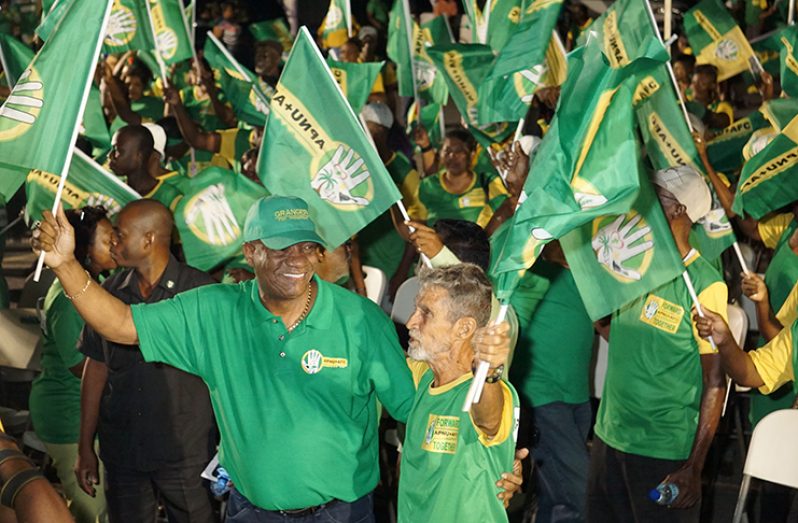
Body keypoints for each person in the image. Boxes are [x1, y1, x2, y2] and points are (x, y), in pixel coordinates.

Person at [33, 195, 522, 522]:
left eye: (305, 248)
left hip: (343, 513)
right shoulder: (214, 311)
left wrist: (491, 465)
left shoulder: (360, 321)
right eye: (278, 249)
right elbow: (120, 324)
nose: (295, 260)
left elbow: (419, 410)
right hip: (252, 511)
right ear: (251, 252)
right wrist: (66, 265)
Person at [587, 166, 728, 522]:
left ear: (680, 209)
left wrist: (694, 466)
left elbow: (715, 382)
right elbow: (625, 337)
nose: (642, 204)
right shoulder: (632, 265)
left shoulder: (704, 284)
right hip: (609, 437)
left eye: (656, 197)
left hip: (662, 451)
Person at [74, 200, 217, 523]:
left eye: (120, 235)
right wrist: (85, 446)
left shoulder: (201, 293)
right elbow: (95, 370)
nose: (113, 242)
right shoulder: (108, 294)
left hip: (186, 455)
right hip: (123, 452)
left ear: (149, 240)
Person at [398, 264, 518, 522]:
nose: (410, 322)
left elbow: (488, 418)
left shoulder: (488, 389)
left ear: (463, 329)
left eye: (426, 313)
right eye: (415, 310)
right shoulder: (422, 375)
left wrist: (490, 370)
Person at [29, 207, 115, 523]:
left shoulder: (95, 283)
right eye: (109, 239)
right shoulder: (69, 299)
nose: (117, 244)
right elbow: (82, 370)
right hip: (69, 418)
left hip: (86, 417)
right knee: (92, 511)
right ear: (84, 250)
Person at [108, 125, 184, 210]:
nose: (110, 155)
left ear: (139, 156)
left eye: (117, 151)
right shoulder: (115, 190)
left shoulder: (168, 196)